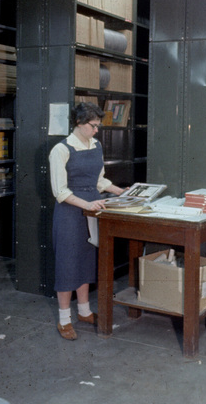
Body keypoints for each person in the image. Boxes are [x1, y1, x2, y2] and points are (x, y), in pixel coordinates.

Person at [49, 102, 125, 340]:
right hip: (70, 213)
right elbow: (60, 192)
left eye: (97, 126)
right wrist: (87, 205)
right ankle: (64, 320)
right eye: (93, 126)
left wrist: (120, 191)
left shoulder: (96, 145)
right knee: (67, 263)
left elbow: (99, 181)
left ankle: (84, 311)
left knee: (85, 260)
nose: (97, 130)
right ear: (79, 124)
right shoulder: (60, 150)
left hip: (92, 209)